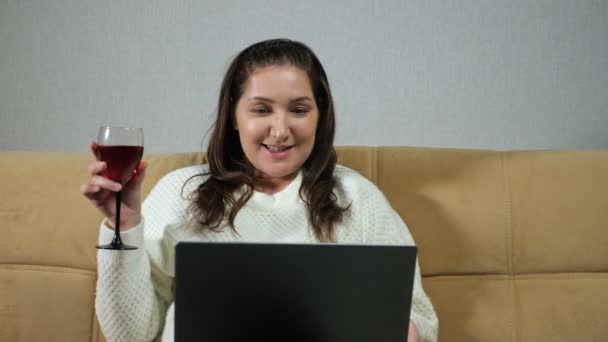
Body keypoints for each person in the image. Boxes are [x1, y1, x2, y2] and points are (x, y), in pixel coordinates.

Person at [81, 38, 438, 342]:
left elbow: (418, 317)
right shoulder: (179, 194)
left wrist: (407, 332)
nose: (280, 130)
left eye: (299, 110)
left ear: (320, 117)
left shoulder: (357, 198)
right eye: (261, 110)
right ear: (234, 117)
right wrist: (123, 224)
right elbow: (129, 336)